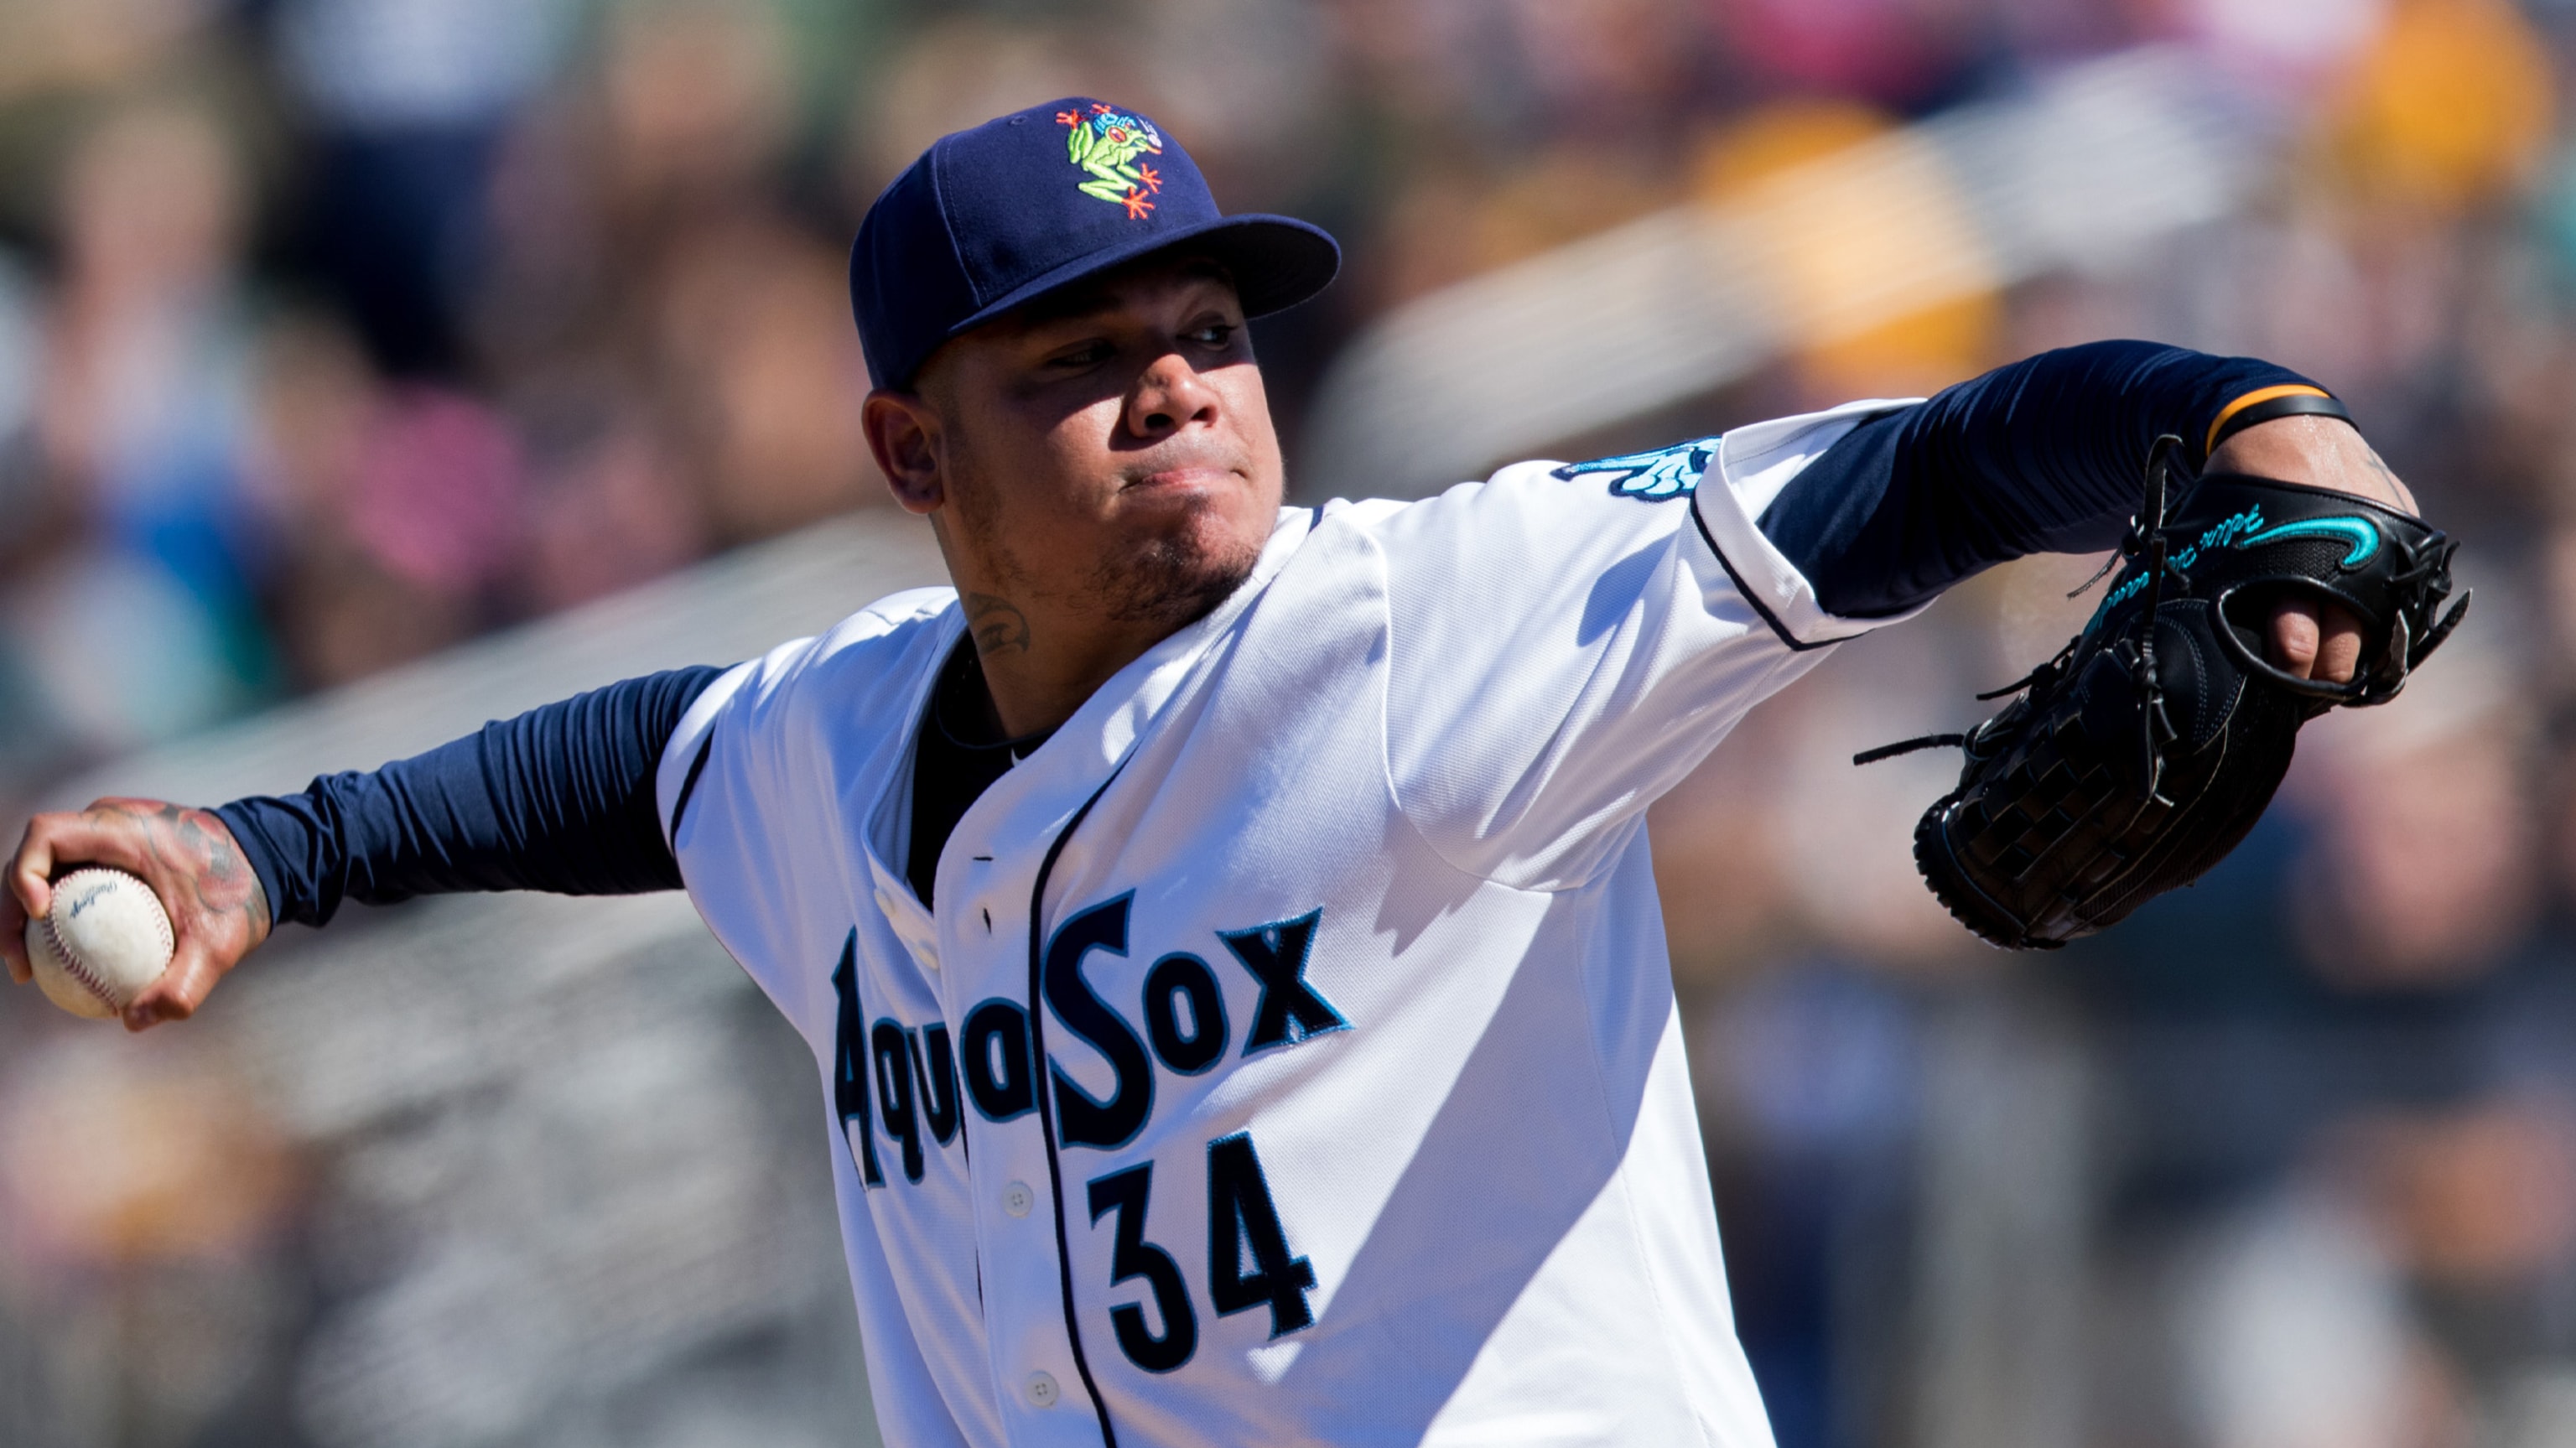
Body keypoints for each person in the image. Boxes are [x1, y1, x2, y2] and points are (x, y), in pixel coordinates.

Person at [0, 101, 2418, 1445]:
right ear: (909, 450)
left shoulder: (1422, 634)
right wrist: (271, 850)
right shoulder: (836, 732)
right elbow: (641, 766)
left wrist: (2234, 434)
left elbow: (1931, 461)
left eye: (1208, 331)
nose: (1179, 382)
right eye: (1078, 357)